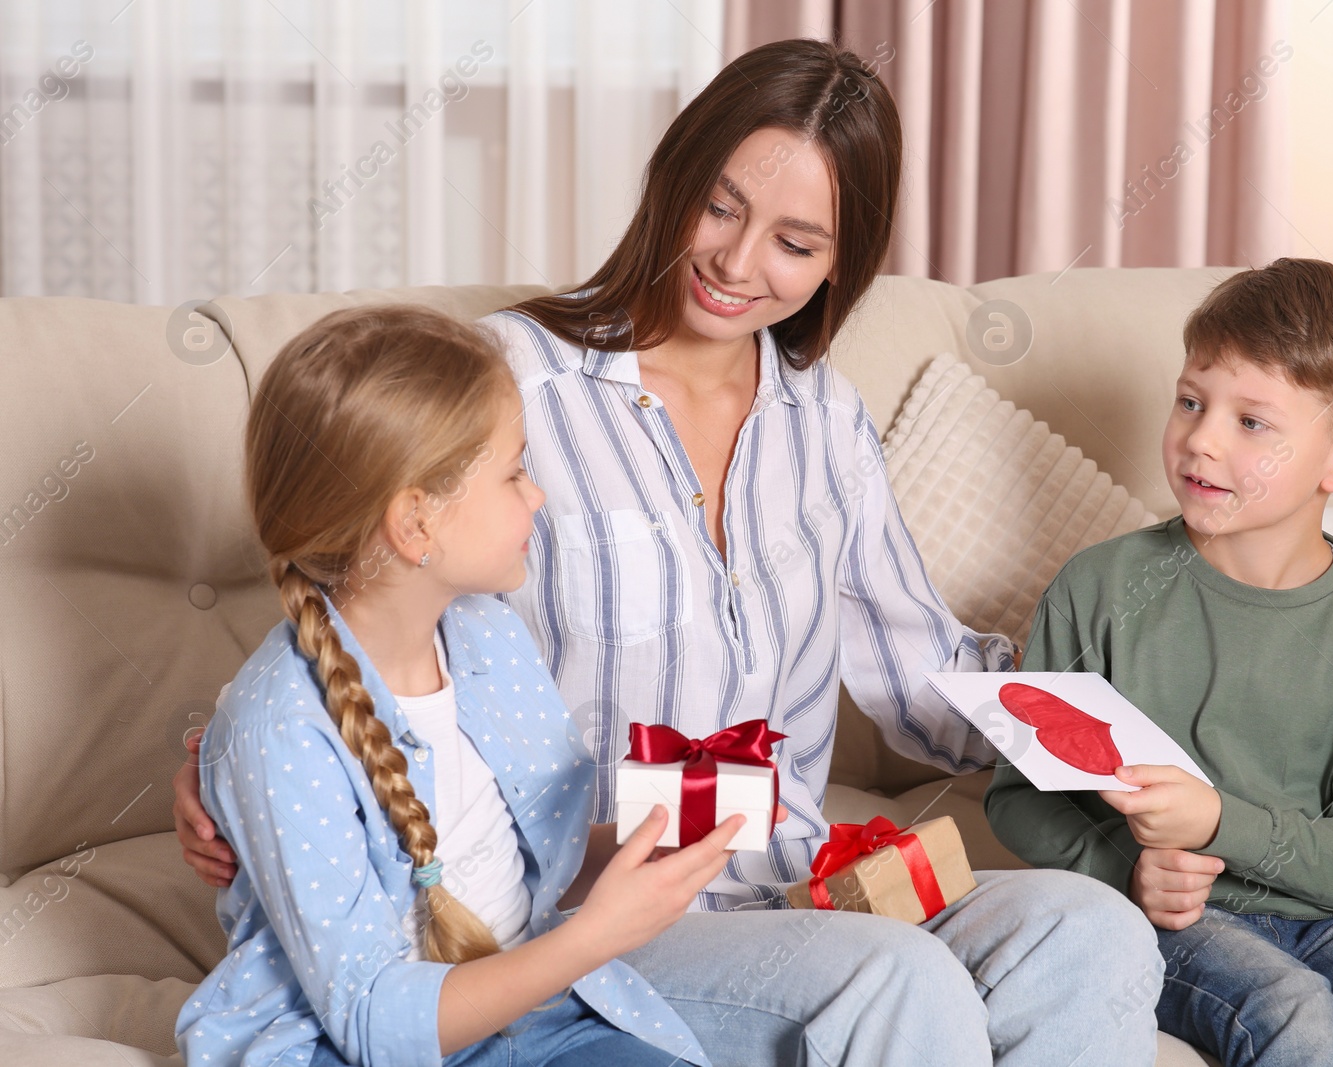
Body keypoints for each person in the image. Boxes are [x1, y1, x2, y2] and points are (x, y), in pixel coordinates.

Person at [176, 38, 1163, 1067]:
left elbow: (928, 675)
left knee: (1087, 931)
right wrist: (210, 758)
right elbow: (357, 588)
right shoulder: (514, 382)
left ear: (841, 261)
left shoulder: (826, 421)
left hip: (800, 877)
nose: (739, 264)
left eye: (795, 241)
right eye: (722, 206)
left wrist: (1131, 739)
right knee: (890, 977)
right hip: (609, 904)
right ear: (673, 179)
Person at [984, 258, 1333, 1066]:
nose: (1201, 439)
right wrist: (1128, 867)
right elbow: (1017, 795)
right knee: (1300, 1023)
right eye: (1190, 401)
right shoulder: (1098, 588)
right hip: (1184, 918)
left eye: (1252, 422)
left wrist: (1218, 820)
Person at [176, 304, 751, 1067]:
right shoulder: (278, 727)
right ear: (415, 524)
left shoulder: (488, 635)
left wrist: (649, 841)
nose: (537, 496)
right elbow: (374, 1022)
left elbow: (526, 863)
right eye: (514, 471)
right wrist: (595, 934)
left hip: (533, 1011)